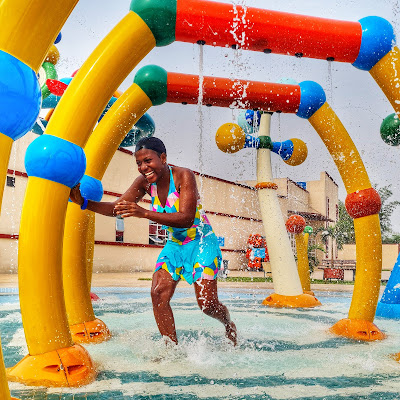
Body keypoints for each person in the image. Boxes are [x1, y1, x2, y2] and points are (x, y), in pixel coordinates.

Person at [70, 137, 237, 345]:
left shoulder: (184, 176)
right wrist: (84, 203)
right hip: (175, 244)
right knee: (158, 292)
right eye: (139, 163)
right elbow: (117, 208)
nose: (143, 167)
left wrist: (144, 213)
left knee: (207, 304)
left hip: (202, 242)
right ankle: (171, 348)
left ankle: (229, 323)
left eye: (148, 161)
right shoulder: (145, 183)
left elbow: (186, 217)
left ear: (163, 158)